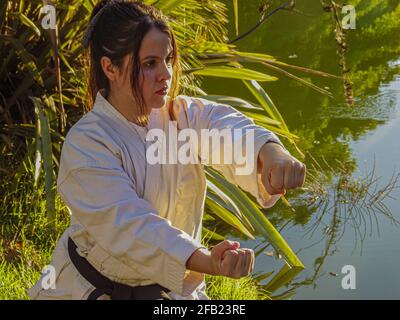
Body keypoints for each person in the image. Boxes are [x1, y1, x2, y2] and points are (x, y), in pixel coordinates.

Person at [28, 0, 306, 300]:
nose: (166, 73)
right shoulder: (86, 144)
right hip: (93, 290)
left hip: (171, 295)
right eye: (150, 63)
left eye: (168, 59)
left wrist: (270, 153)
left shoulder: (180, 117)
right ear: (110, 67)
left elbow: (225, 127)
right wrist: (208, 261)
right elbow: (133, 228)